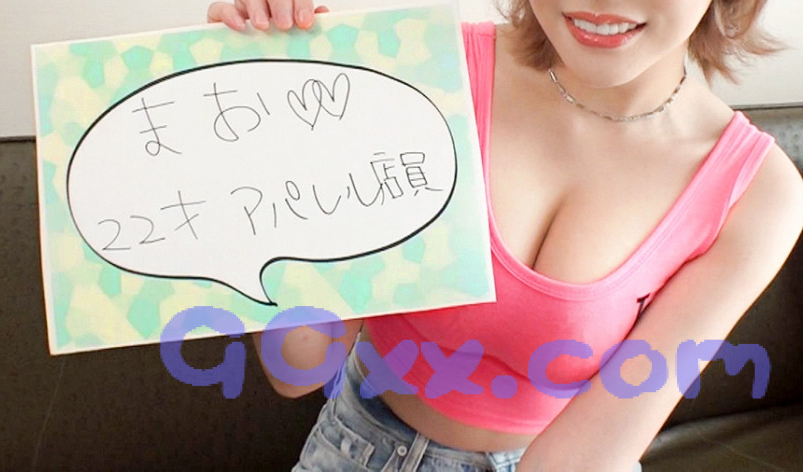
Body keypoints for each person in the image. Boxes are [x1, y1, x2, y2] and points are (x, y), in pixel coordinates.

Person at [208, 1, 803, 470]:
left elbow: (581, 461)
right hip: (355, 448)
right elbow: (298, 364)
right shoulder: (424, 70)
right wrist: (275, 139)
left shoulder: (756, 194)